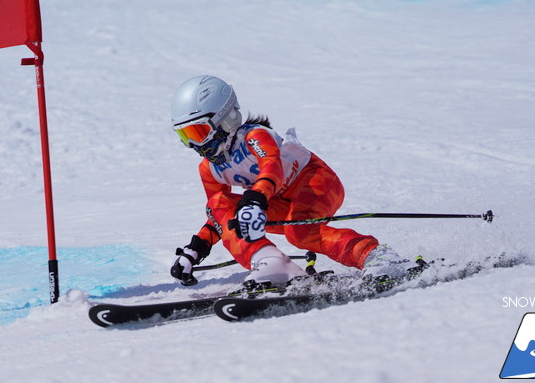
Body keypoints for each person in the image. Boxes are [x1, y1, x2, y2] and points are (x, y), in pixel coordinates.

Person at [169, 75, 414, 291]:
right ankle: (271, 263)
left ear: (225, 118)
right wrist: (197, 248)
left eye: (197, 133)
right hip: (276, 201)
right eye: (185, 136)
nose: (194, 145)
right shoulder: (210, 168)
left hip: (316, 183)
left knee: (300, 232)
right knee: (218, 201)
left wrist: (255, 200)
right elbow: (219, 214)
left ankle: (377, 256)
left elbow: (271, 167)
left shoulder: (254, 136)